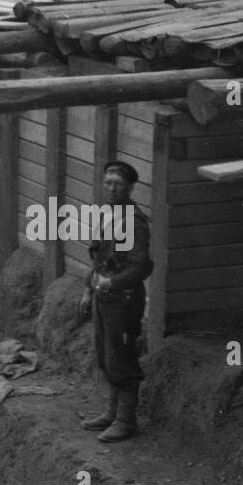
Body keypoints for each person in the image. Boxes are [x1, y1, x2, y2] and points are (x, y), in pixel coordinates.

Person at [79, 161, 153, 443]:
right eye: (107, 182)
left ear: (130, 188)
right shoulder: (106, 214)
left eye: (118, 184)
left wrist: (113, 283)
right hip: (103, 298)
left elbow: (142, 267)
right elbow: (98, 259)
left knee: (121, 357)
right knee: (106, 356)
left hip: (123, 300)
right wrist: (89, 290)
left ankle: (126, 421)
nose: (111, 188)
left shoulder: (133, 222)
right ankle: (111, 413)